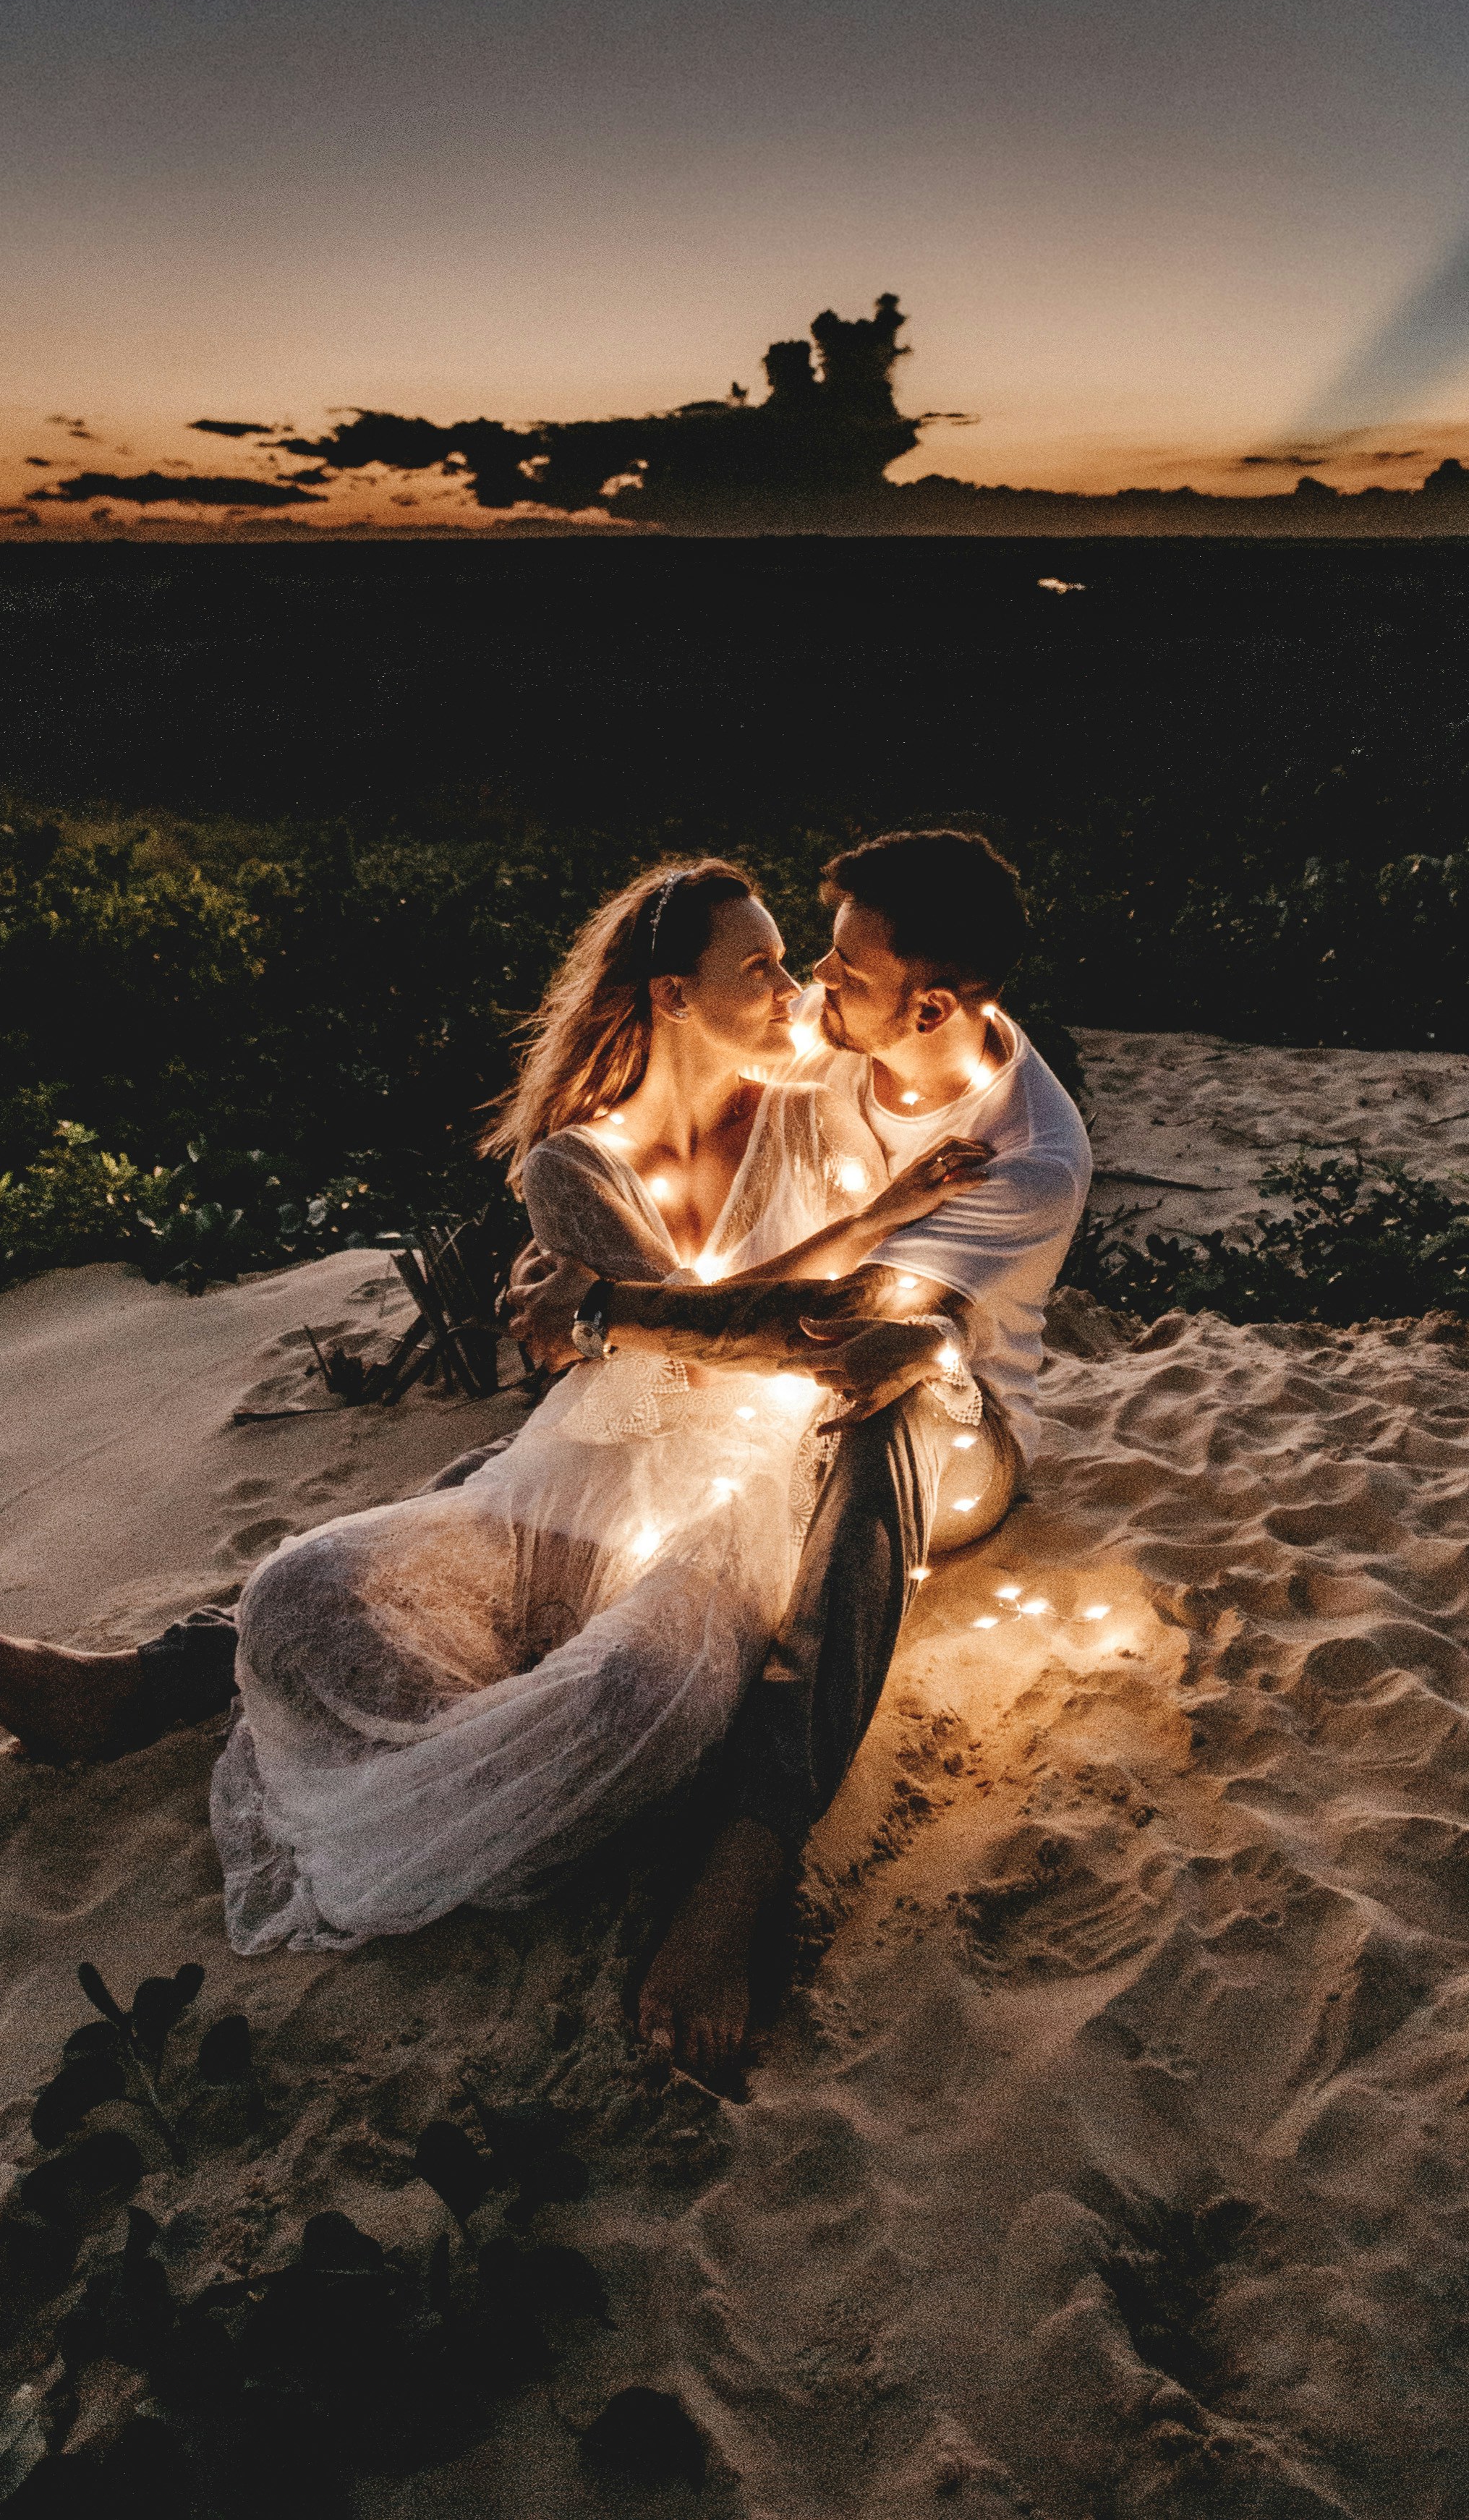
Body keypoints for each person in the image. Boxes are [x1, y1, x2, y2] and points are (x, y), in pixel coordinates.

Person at [0, 857, 991, 1949]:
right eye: (760, 968)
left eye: (790, 964)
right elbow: (692, 1342)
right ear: (673, 996)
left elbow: (774, 1316)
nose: (796, 992)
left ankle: (156, 1691)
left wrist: (615, 1306)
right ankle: (152, 1694)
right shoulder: (574, 1168)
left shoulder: (823, 1101)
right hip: (610, 1448)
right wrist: (652, 1303)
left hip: (769, 1470)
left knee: (627, 1686)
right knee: (307, 1590)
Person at [511, 828, 1092, 2072]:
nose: (815, 991)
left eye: (847, 971)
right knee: (592, 1425)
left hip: (958, 1442)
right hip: (772, 1393)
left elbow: (837, 1334)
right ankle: (203, 1653)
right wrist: (584, 1251)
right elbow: (687, 1109)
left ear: (930, 1002)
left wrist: (604, 1314)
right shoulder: (834, 1047)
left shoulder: (1031, 1156)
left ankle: (753, 1849)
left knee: (878, 1391)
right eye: (815, 960)